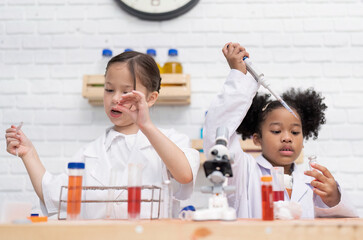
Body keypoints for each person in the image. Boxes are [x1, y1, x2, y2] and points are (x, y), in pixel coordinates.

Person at [5, 51, 199, 219]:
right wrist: (28, 153)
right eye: (109, 89)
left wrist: (145, 125)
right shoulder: (89, 153)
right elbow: (52, 194)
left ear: (150, 99)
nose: (115, 98)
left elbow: (184, 174)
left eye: (126, 92)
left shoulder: (173, 141)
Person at [203, 42, 358, 219]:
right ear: (257, 139)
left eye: (295, 132)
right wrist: (239, 76)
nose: (287, 138)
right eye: (276, 131)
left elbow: (345, 226)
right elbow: (217, 134)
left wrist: (334, 199)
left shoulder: (312, 184)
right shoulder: (244, 173)